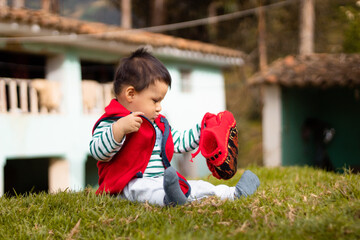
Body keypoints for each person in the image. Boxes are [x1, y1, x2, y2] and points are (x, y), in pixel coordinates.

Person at [89, 48, 260, 206]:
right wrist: (119, 129)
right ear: (131, 94)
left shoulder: (158, 123)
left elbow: (177, 141)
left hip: (161, 179)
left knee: (194, 185)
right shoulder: (113, 120)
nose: (159, 107)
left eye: (161, 101)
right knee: (145, 189)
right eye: (155, 100)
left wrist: (202, 130)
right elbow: (98, 152)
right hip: (126, 185)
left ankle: (233, 193)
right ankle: (169, 199)